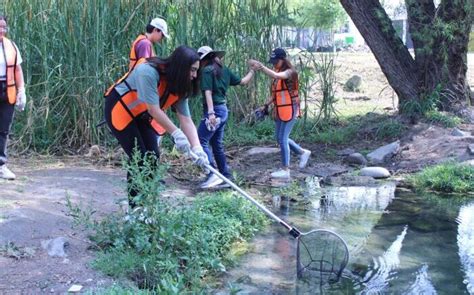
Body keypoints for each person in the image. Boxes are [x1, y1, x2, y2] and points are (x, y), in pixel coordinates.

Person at [104, 45, 209, 206]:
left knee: (152, 157)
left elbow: (186, 120)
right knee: (139, 159)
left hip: (141, 116)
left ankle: (147, 205)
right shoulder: (148, 72)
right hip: (120, 110)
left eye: (196, 71)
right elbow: (154, 109)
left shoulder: (178, 84)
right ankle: (135, 210)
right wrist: (176, 134)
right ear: (181, 67)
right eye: (192, 70)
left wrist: (197, 148)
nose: (195, 76)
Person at [196, 46, 255, 189]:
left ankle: (212, 173)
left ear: (203, 59)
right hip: (223, 111)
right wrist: (253, 70)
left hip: (214, 111)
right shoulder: (224, 70)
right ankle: (225, 176)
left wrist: (210, 113)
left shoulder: (206, 71)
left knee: (200, 140)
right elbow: (243, 81)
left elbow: (208, 92)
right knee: (217, 144)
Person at [249, 48, 311, 179]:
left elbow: (277, 76)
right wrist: (265, 105)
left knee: (283, 139)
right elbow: (276, 94)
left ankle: (285, 169)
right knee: (279, 137)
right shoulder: (277, 72)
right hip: (280, 110)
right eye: (272, 62)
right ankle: (302, 152)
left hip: (291, 109)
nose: (274, 64)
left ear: (283, 60)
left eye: (275, 62)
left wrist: (261, 67)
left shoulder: (290, 72)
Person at [0, 15, 26, 180]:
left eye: (4, 27)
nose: (1, 30)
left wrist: (21, 90)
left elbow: (17, 69)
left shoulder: (11, 46)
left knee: (3, 129)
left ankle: (1, 165)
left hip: (6, 90)